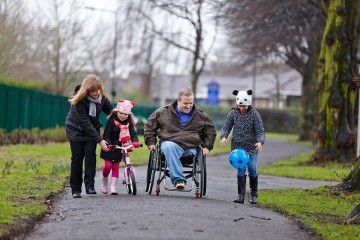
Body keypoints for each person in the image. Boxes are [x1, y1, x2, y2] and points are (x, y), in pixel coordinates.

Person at [144, 88, 217, 190]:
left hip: (190, 148)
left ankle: (178, 177)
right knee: (170, 147)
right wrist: (151, 142)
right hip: (170, 144)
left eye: (191, 103)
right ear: (178, 101)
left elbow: (210, 131)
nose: (188, 106)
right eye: (185, 103)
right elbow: (149, 126)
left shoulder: (201, 115)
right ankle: (179, 179)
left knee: (175, 149)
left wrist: (207, 146)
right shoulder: (163, 112)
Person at [65, 74, 113, 198]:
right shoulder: (79, 100)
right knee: (77, 158)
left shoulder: (102, 97)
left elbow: (111, 112)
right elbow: (85, 122)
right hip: (75, 129)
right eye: (93, 91)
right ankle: (75, 189)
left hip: (91, 130)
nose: (96, 93)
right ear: (87, 90)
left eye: (98, 89)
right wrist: (100, 140)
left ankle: (90, 186)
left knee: (90, 156)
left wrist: (125, 118)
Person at [220, 89, 265, 204]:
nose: (242, 108)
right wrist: (224, 137)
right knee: (240, 170)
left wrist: (260, 142)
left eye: (244, 106)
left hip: (251, 147)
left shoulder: (254, 114)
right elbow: (226, 127)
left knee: (252, 169)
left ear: (248, 104)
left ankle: (254, 194)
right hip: (238, 148)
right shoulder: (233, 113)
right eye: (240, 105)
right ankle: (241, 195)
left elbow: (260, 131)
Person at [100, 99, 140, 195]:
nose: (123, 116)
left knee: (115, 167)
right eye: (121, 113)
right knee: (108, 166)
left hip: (120, 147)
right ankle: (104, 180)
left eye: (126, 114)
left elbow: (133, 133)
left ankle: (114, 187)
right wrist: (109, 144)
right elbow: (106, 135)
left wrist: (135, 142)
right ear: (117, 111)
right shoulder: (111, 120)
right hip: (110, 147)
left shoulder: (129, 122)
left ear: (129, 115)